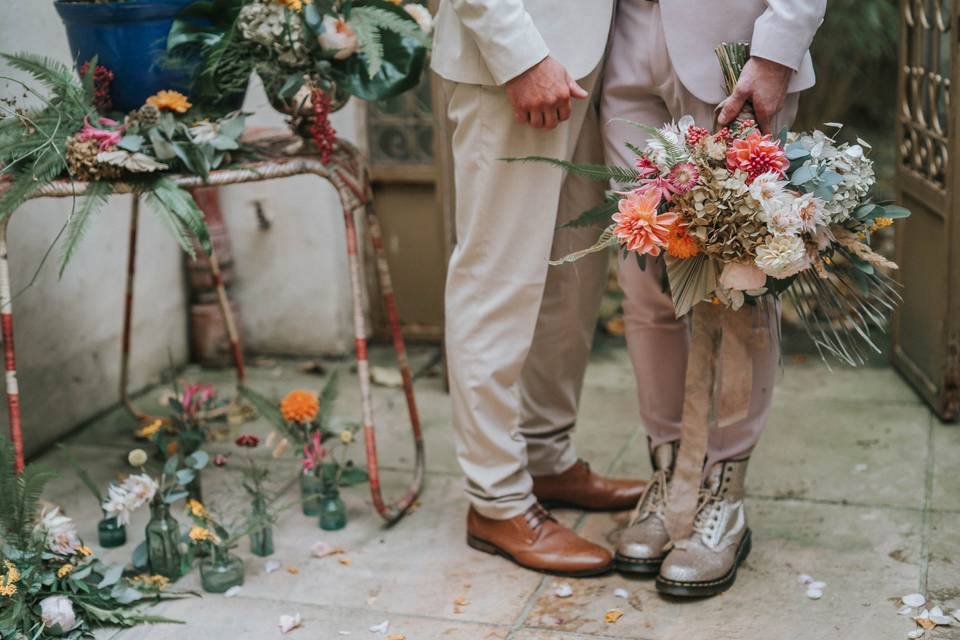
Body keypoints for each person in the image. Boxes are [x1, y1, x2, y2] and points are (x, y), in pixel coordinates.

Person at [601, 0, 826, 596]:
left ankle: (724, 489)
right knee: (644, 268)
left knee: (741, 278)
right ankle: (672, 478)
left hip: (734, 47)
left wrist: (779, 46)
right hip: (622, 42)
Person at [431, 0, 645, 577]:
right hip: (517, 59)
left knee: (572, 277)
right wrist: (519, 56)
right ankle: (497, 498)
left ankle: (547, 456)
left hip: (593, 56)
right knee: (496, 279)